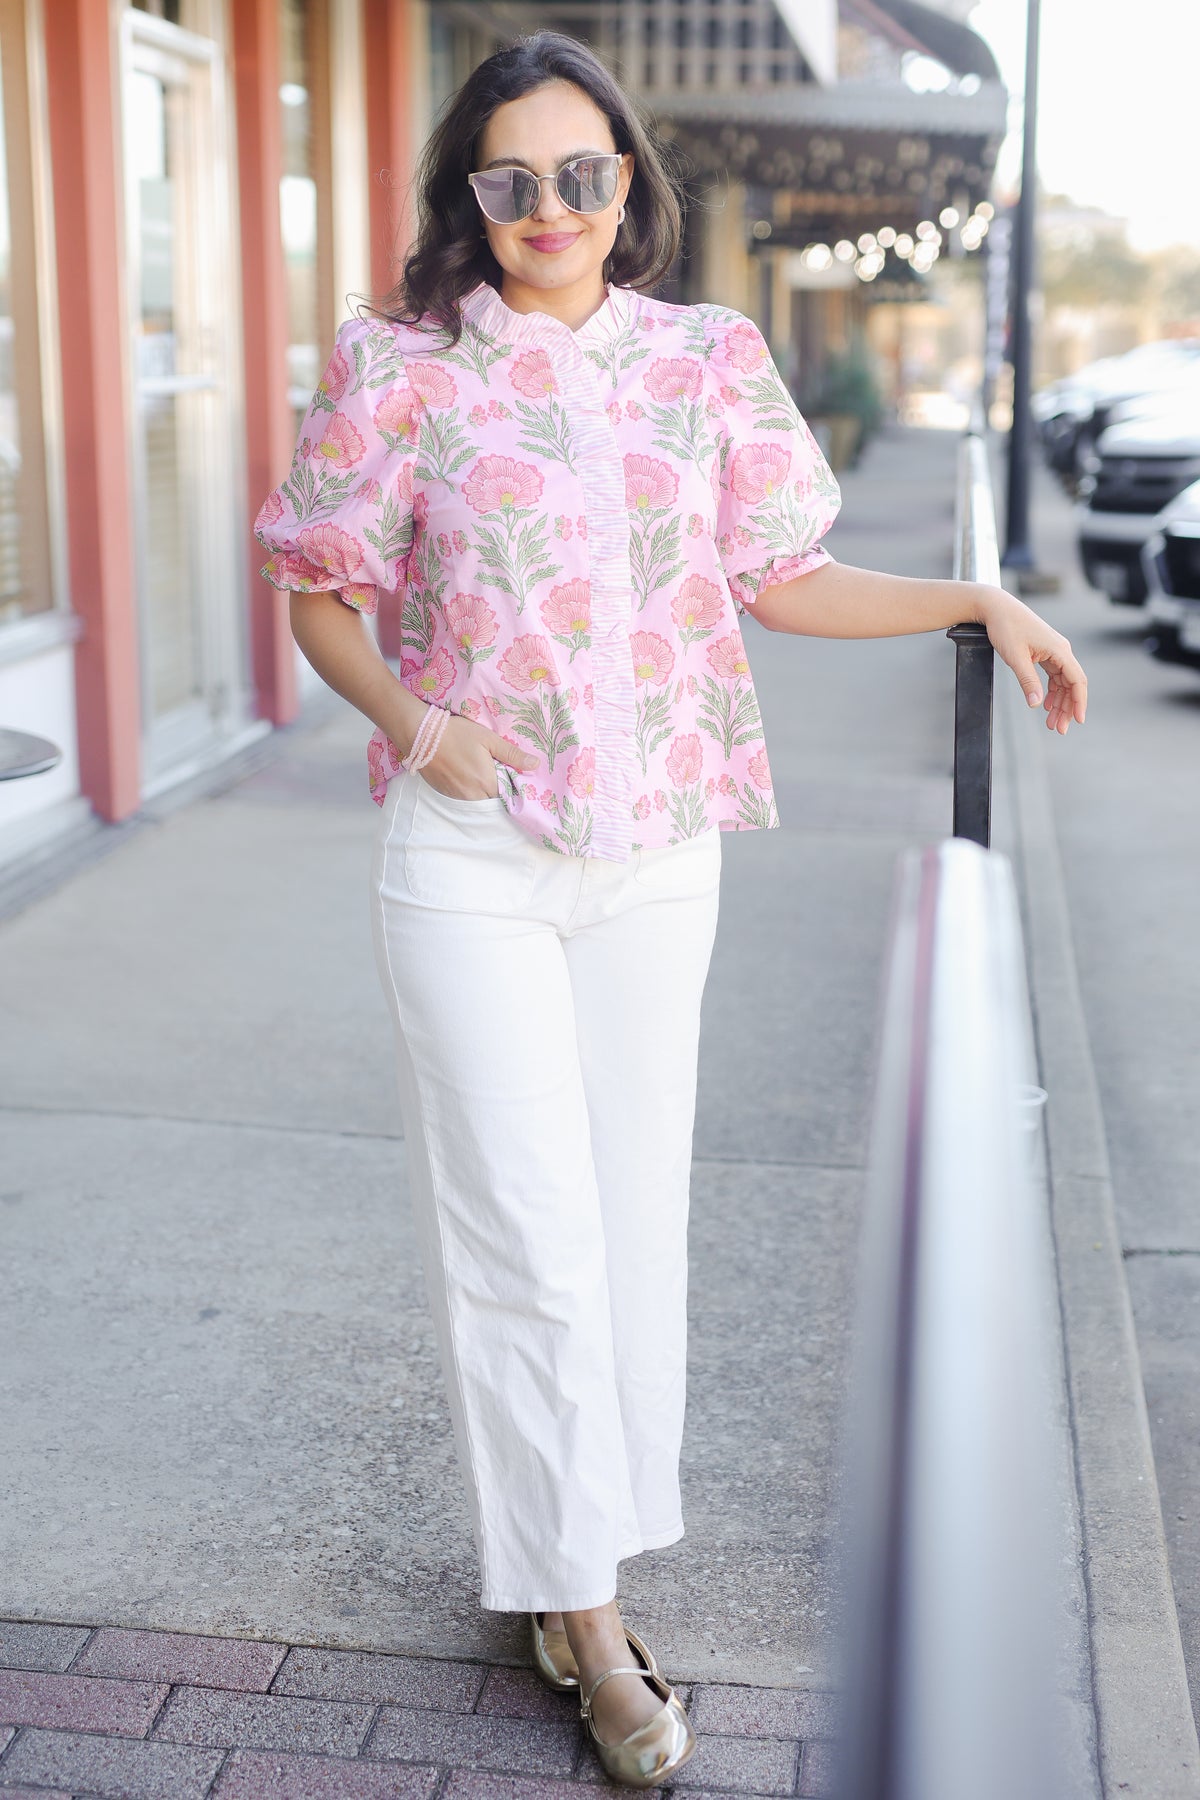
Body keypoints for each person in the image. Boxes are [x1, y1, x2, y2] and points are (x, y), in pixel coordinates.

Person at [252, 29, 1087, 1789]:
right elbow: (321, 594)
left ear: (628, 183)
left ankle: (580, 1561)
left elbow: (782, 577)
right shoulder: (397, 369)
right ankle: (584, 1615)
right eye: (509, 179)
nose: (548, 206)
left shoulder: (708, 360)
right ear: (466, 200)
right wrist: (421, 724)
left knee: (631, 1225)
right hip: (471, 860)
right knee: (526, 1234)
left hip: (661, 856)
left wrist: (979, 601)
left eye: (580, 172)